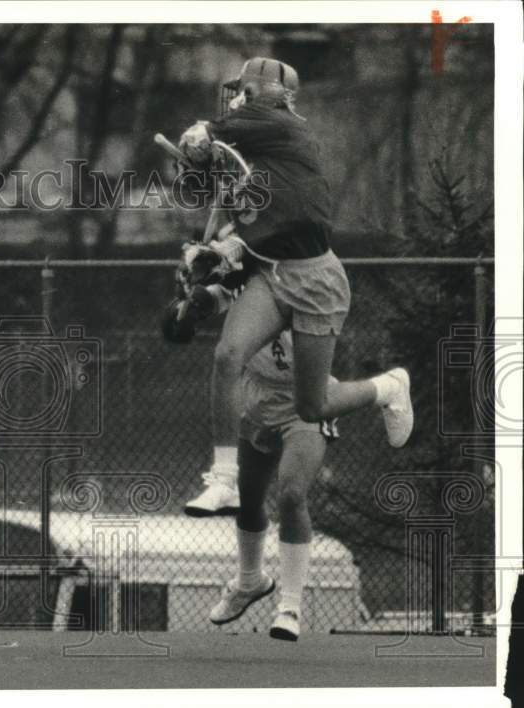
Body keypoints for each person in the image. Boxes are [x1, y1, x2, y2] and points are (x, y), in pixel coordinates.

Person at [178, 57, 413, 517]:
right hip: (273, 273)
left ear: (271, 93)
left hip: (316, 279)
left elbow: (234, 129)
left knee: (313, 405)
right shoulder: (251, 148)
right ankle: (223, 479)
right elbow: (217, 200)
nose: (237, 96)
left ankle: (387, 387)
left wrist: (206, 130)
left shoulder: (285, 127)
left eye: (245, 89)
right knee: (227, 355)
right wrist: (213, 254)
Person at [163, 288, 337, 641]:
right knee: (247, 497)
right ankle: (249, 580)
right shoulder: (240, 282)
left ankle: (290, 607)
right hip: (258, 397)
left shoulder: (298, 279)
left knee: (291, 494)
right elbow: (184, 320)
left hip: (305, 399)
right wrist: (185, 308)